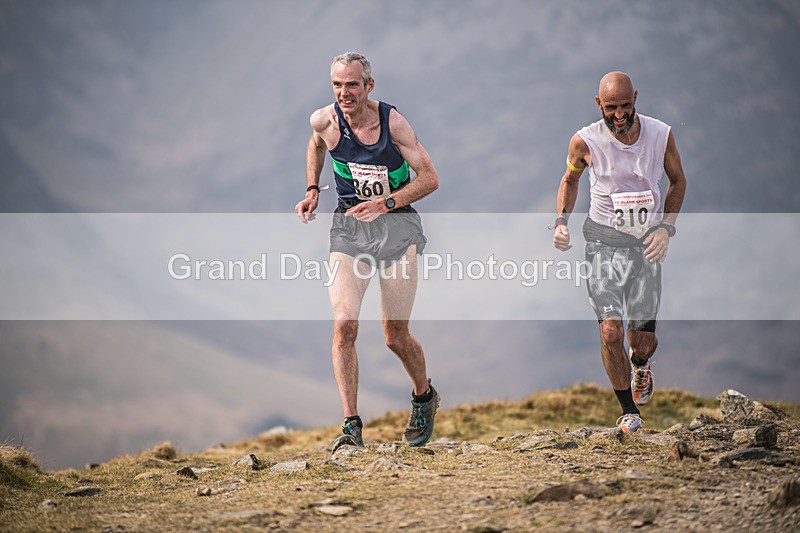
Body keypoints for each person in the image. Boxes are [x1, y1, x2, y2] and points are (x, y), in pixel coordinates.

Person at [295, 52, 440, 451]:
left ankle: (424, 397)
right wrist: (312, 189)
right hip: (349, 228)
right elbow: (315, 144)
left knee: (394, 335)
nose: (345, 93)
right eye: (338, 85)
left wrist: (386, 203)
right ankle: (351, 425)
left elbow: (430, 178)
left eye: (353, 85)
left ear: (368, 86)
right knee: (344, 324)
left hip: (397, 228)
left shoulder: (393, 123)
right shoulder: (324, 120)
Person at [552, 72, 687, 433]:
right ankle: (629, 411)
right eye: (610, 108)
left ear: (636, 98)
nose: (618, 115)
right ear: (599, 104)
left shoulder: (661, 134)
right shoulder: (584, 141)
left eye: (625, 106)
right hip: (602, 243)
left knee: (641, 340)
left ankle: (639, 362)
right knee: (611, 329)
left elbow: (678, 181)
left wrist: (665, 228)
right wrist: (562, 222)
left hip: (645, 245)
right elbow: (570, 180)